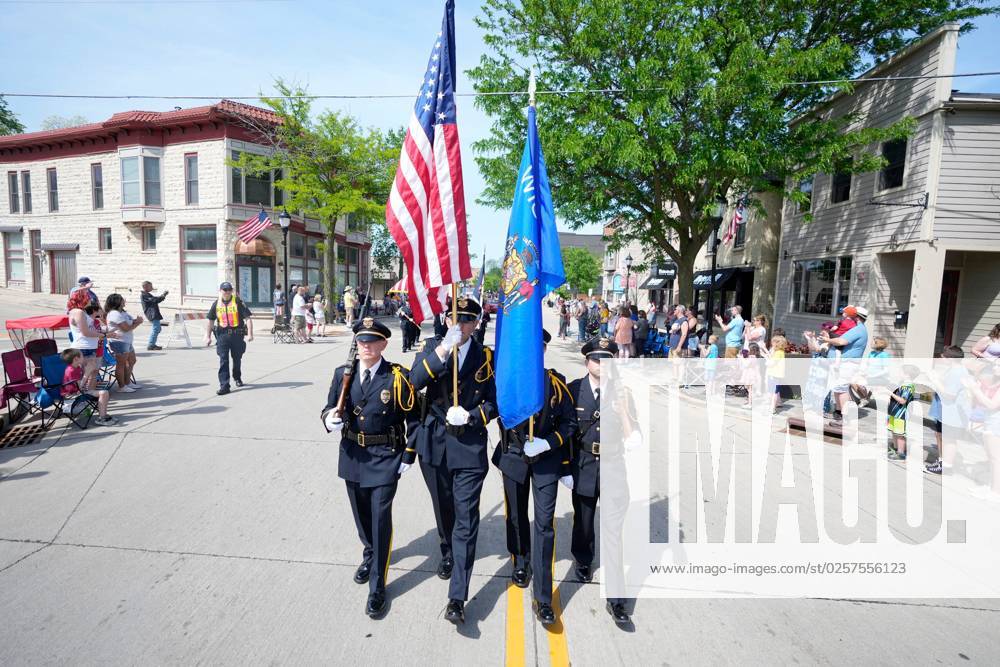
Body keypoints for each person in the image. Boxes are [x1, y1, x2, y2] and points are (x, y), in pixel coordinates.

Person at [408, 297, 497, 625]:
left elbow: (496, 402)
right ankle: (446, 549)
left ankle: (457, 597)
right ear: (445, 320)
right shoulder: (432, 346)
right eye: (453, 319)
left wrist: (474, 416)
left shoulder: (486, 357)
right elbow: (414, 381)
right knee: (443, 508)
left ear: (476, 324)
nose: (458, 326)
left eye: (466, 320)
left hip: (469, 447)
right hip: (434, 443)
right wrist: (444, 350)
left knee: (466, 518)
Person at [320, 317, 415, 618]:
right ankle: (370, 553)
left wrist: (409, 454)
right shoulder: (342, 374)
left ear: (384, 344)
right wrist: (328, 419)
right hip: (352, 455)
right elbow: (328, 406)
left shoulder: (397, 377)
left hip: (385, 456)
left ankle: (378, 586)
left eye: (372, 341)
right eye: (361, 340)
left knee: (379, 518)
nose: (366, 346)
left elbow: (414, 418)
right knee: (362, 518)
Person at [492, 329, 576, 627]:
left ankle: (543, 597)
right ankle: (520, 561)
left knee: (544, 525)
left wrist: (548, 443)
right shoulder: (507, 380)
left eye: (536, 348)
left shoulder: (556, 384)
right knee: (515, 516)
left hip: (545, 461)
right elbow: (491, 407)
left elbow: (569, 424)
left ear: (542, 351)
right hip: (514, 456)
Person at [567, 337, 634, 625]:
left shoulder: (624, 393)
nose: (601, 365)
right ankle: (583, 559)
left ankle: (616, 598)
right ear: (587, 361)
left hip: (613, 467)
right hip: (582, 466)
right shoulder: (573, 390)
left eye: (607, 360)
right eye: (596, 360)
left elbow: (636, 435)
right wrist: (565, 469)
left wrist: (624, 415)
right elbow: (566, 434)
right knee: (583, 521)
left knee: (613, 533)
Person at [204, 282, 253, 395]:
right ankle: (224, 385)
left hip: (237, 334)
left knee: (237, 359)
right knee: (223, 360)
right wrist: (208, 336)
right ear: (220, 291)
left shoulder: (238, 302)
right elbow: (210, 320)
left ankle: (237, 377)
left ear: (232, 290)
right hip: (222, 335)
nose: (227, 292)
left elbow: (248, 318)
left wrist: (250, 334)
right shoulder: (216, 304)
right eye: (224, 290)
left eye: (229, 290)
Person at [822, 306, 869, 422]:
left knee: (842, 389)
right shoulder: (857, 328)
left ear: (856, 317)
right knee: (838, 389)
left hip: (847, 364)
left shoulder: (858, 329)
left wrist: (827, 340)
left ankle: (845, 416)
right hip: (844, 364)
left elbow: (841, 341)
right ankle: (839, 413)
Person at [68, 289, 116, 392]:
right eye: (88, 298)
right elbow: (86, 333)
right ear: (83, 299)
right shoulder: (79, 312)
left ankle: (88, 396)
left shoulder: (81, 312)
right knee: (86, 373)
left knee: (92, 372)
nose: (90, 300)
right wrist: (104, 335)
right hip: (83, 347)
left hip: (88, 347)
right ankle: (80, 394)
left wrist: (105, 334)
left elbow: (91, 330)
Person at [60, 348, 116, 427]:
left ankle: (103, 415)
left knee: (102, 392)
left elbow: (80, 385)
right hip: (72, 396)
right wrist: (87, 373)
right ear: (76, 359)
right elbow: (79, 386)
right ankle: (102, 418)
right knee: (104, 393)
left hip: (78, 392)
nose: (84, 358)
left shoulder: (76, 367)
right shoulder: (71, 371)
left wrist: (90, 367)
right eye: (82, 356)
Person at [104, 293, 142, 393]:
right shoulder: (114, 313)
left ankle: (127, 382)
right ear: (117, 302)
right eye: (122, 299)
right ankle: (122, 386)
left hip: (127, 341)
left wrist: (135, 320)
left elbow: (128, 322)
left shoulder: (122, 312)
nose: (124, 300)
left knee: (132, 360)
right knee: (121, 364)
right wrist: (138, 323)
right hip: (119, 342)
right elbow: (126, 328)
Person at [887, 368, 917, 461]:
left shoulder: (907, 386)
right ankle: (896, 450)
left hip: (901, 414)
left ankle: (901, 454)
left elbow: (903, 401)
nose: (899, 373)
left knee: (900, 434)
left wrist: (890, 393)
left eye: (901, 372)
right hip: (894, 412)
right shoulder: (903, 384)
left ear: (907, 374)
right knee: (894, 431)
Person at [140, 281, 168, 351]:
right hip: (152, 314)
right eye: (150, 286)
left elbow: (156, 299)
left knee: (158, 329)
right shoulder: (144, 295)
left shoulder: (148, 294)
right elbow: (155, 300)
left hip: (154, 313)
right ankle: (151, 345)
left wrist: (163, 296)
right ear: (145, 287)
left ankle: (152, 344)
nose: (152, 288)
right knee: (156, 329)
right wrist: (163, 295)